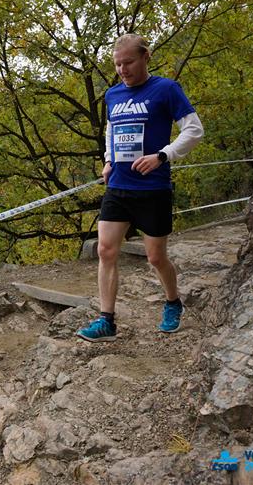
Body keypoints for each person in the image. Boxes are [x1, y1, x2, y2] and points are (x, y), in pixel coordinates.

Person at [76, 34, 204, 342]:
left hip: (153, 189)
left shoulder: (166, 89)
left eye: (129, 62)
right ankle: (106, 321)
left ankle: (173, 302)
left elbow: (194, 130)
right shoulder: (113, 95)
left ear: (146, 57)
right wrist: (108, 160)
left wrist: (163, 155)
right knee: (105, 250)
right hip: (119, 186)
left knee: (156, 257)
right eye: (117, 64)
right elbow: (111, 131)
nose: (123, 69)